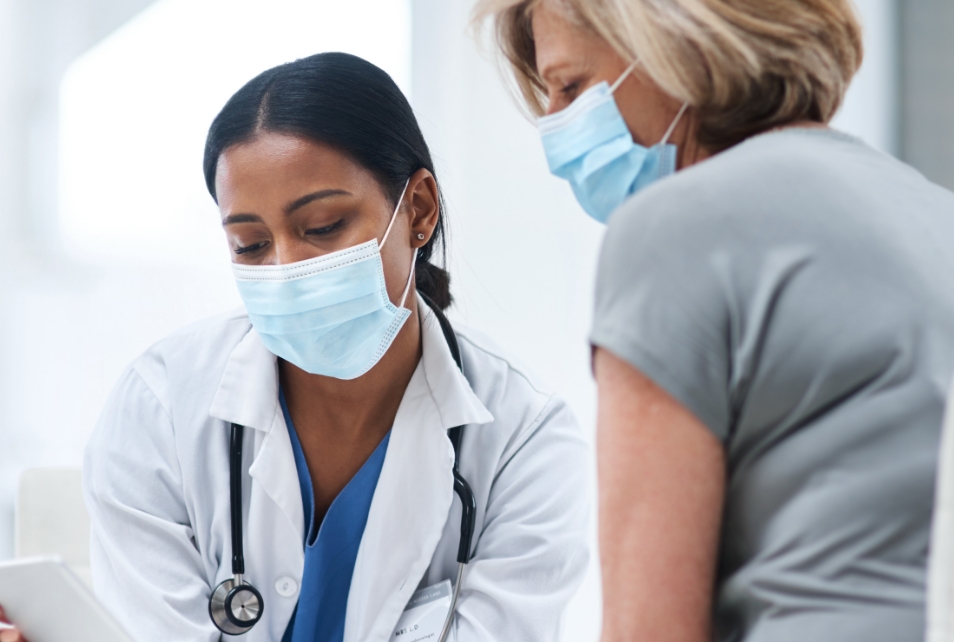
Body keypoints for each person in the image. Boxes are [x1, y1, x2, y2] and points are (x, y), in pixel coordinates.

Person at [0, 52, 589, 642]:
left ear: (419, 209)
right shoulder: (159, 411)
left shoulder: (523, 441)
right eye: (251, 245)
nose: (287, 268)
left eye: (323, 226)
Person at [474, 1, 954, 641]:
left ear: (679, 44)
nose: (557, 135)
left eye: (569, 87)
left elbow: (650, 631)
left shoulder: (673, 228)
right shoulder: (935, 213)